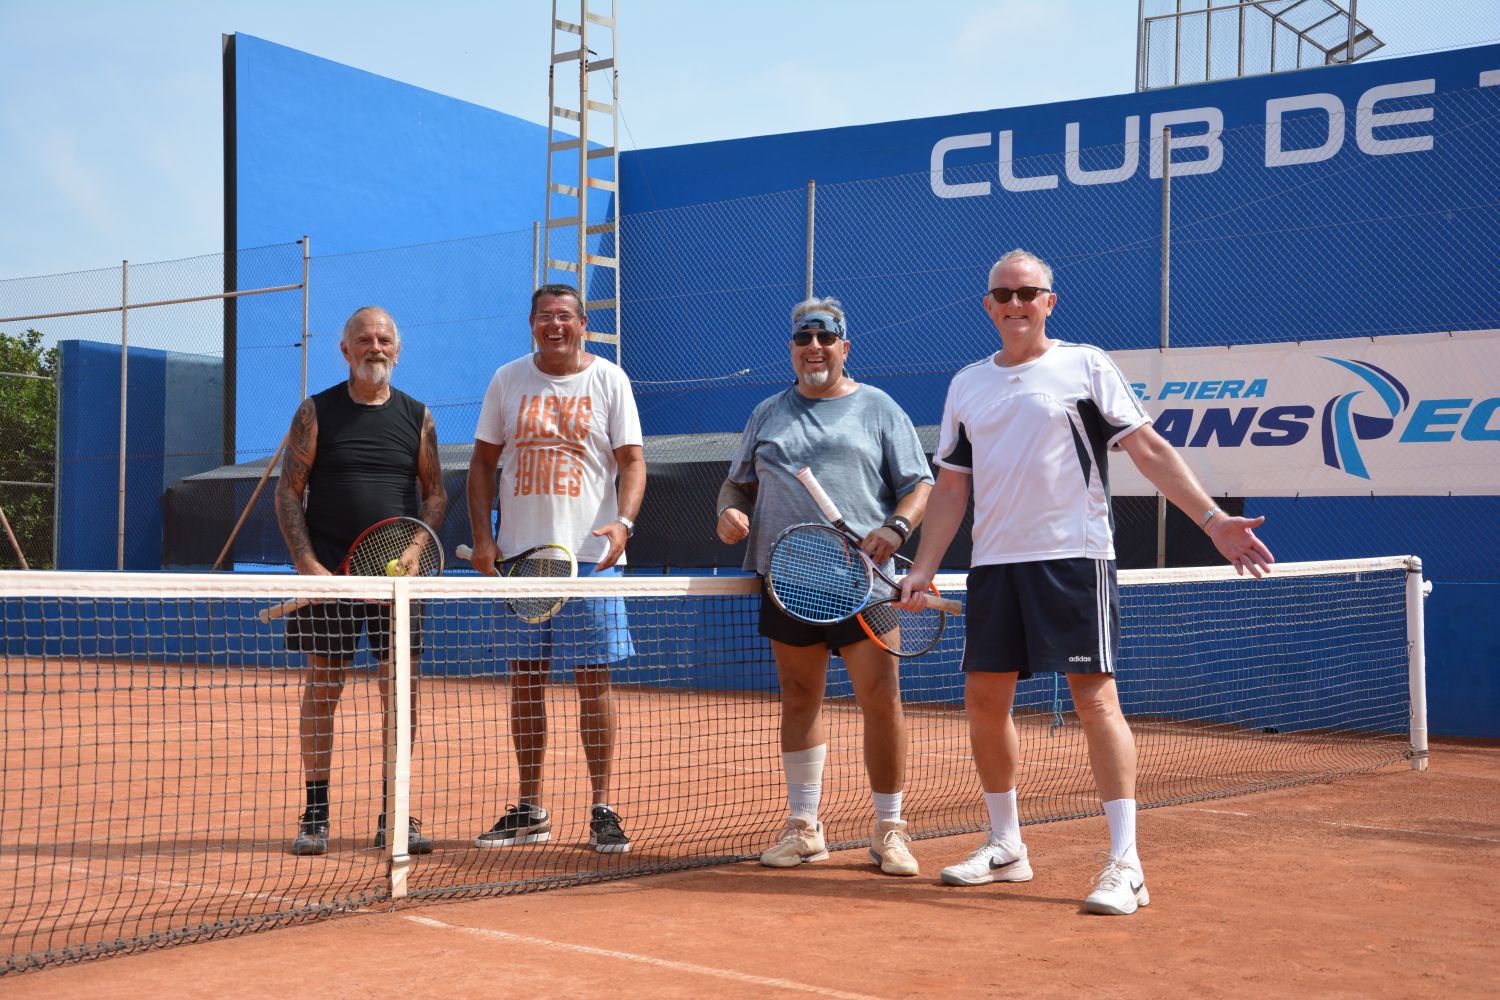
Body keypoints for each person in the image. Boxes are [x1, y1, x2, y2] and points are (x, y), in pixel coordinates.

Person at [897, 249, 1274, 914]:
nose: (1016, 304)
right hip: (994, 566)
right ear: (988, 306)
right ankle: (1006, 846)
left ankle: (1127, 863)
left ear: (1049, 301)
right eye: (1003, 295)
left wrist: (1213, 520)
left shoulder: (1086, 365)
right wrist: (924, 567)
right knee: (983, 701)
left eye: (1028, 293)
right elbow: (952, 488)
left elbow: (1148, 449)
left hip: (1074, 557)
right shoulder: (967, 385)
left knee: (1095, 701)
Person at [716, 297, 934, 877]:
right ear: (792, 349)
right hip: (788, 582)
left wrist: (897, 527)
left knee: (881, 699)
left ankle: (889, 829)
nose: (814, 347)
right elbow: (736, 486)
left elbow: (919, 484)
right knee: (798, 698)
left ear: (844, 346)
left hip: (865, 586)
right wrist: (728, 513)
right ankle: (805, 828)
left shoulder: (879, 408)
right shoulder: (768, 412)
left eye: (825, 337)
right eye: (803, 338)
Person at [466, 283, 646, 854]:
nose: (555, 325)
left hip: (591, 561)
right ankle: (530, 809)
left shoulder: (610, 380)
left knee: (594, 683)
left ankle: (602, 808)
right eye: (545, 316)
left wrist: (623, 523)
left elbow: (633, 462)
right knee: (525, 681)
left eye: (565, 316)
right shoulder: (507, 379)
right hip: (520, 561)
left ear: (582, 324)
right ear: (532, 324)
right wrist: (484, 539)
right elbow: (482, 464)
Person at [275, 305, 448, 857]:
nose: (376, 347)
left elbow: (435, 495)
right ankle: (316, 814)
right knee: (323, 689)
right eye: (365, 339)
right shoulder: (315, 411)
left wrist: (416, 551)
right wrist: (308, 566)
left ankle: (395, 812)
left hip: (397, 582)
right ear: (345, 349)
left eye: (384, 339)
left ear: (397, 349)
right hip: (329, 574)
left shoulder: (418, 417)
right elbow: (288, 492)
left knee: (400, 695)